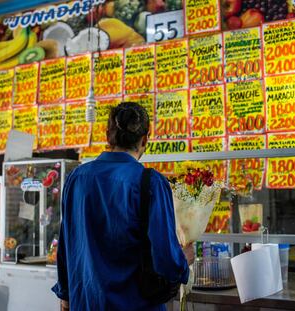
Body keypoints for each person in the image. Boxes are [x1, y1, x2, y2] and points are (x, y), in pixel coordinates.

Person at [52, 101, 194, 310]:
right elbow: (166, 261)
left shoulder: (76, 179)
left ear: (106, 135)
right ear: (145, 139)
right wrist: (184, 261)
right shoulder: (151, 183)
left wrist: (65, 294)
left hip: (86, 304)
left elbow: (66, 245)